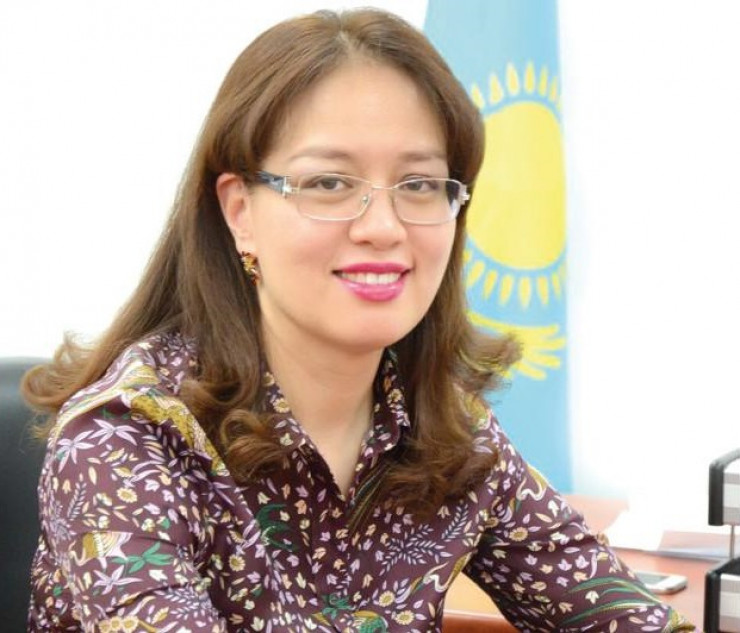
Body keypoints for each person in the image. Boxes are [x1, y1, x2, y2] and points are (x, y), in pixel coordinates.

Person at [23, 8, 695, 632]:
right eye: (329, 183)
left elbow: (626, 618)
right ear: (240, 212)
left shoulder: (445, 426)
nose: (384, 227)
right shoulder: (124, 441)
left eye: (420, 184)